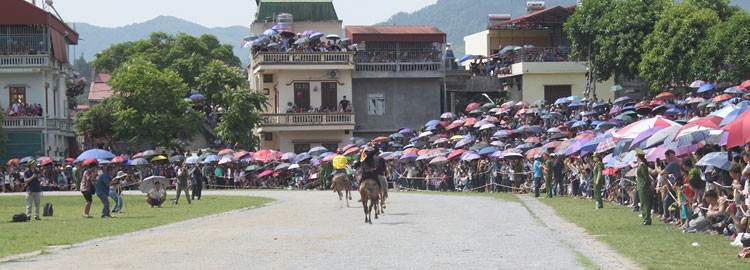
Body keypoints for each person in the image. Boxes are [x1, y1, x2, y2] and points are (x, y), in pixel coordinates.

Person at [636, 148, 653, 225]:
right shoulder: (640, 165)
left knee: (645, 203)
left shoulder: (642, 166)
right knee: (643, 203)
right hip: (640, 186)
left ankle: (647, 219)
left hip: (643, 186)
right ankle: (645, 217)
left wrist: (649, 185)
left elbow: (646, 176)